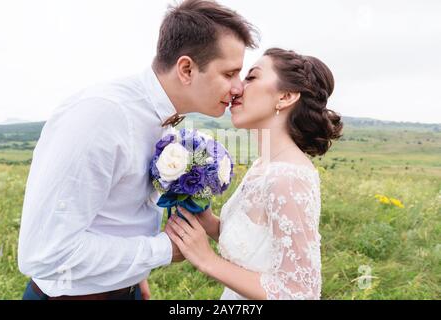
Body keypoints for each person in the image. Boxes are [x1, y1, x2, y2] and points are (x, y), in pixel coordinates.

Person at [18, 0, 258, 300]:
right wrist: (163, 249)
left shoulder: (164, 122)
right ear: (186, 69)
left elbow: (120, 211)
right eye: (229, 74)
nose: (238, 88)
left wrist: (135, 278)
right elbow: (44, 253)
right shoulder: (101, 117)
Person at [165, 48, 343, 300]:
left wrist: (207, 260)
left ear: (286, 97)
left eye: (251, 78)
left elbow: (300, 293)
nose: (237, 88)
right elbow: (258, 245)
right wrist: (209, 222)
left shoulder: (288, 178)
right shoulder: (264, 164)